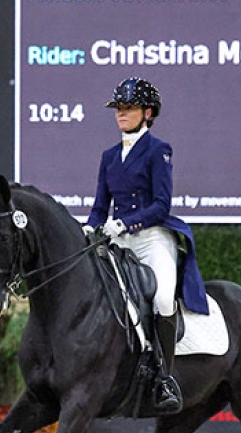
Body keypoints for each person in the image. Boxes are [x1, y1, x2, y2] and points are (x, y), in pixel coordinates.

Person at [83, 77, 210, 413]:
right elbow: (100, 205)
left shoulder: (158, 150)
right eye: (119, 109)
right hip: (118, 242)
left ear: (147, 112)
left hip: (152, 238)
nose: (121, 114)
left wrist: (126, 222)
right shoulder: (109, 156)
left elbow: (160, 205)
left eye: (128, 108)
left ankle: (165, 378)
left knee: (163, 298)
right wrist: (90, 228)